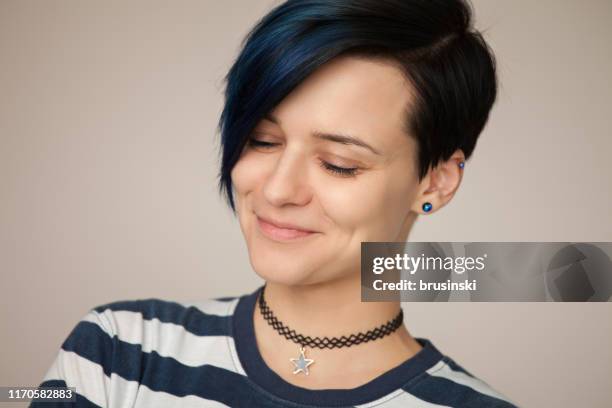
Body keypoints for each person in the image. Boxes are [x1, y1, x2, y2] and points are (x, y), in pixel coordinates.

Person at [33, 0, 519, 406]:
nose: (277, 190)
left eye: (338, 163)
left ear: (435, 183)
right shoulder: (118, 352)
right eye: (263, 141)